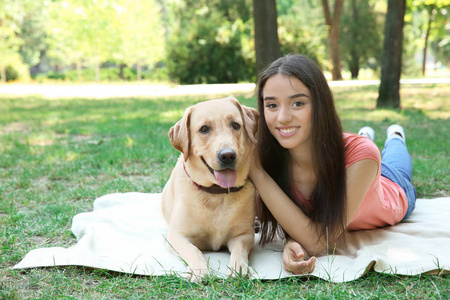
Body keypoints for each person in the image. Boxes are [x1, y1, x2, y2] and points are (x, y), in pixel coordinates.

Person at [249, 54, 417, 275]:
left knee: (396, 160)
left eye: (297, 103)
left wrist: (257, 173)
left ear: (320, 104)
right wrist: (292, 241)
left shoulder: (363, 156)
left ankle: (395, 135)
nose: (282, 118)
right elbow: (296, 217)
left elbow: (319, 242)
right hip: (353, 161)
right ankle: (366, 134)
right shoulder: (268, 155)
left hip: (390, 186)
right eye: (271, 105)